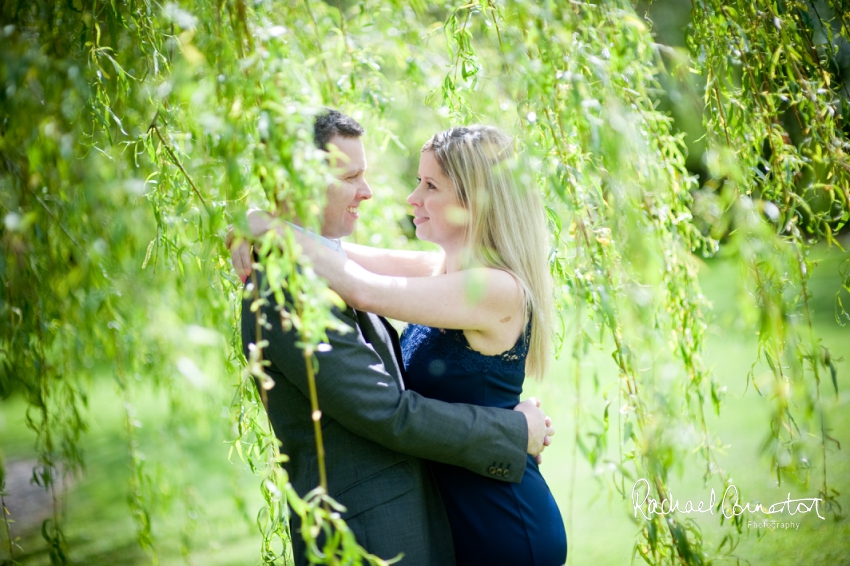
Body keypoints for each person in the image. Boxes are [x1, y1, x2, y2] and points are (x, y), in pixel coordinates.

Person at [232, 110, 556, 566]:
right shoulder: (441, 272)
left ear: (475, 202)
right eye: (352, 176)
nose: (409, 197)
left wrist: (277, 229)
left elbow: (362, 288)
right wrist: (258, 222)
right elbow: (345, 259)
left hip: (498, 515)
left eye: (430, 186)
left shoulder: (492, 288)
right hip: (446, 513)